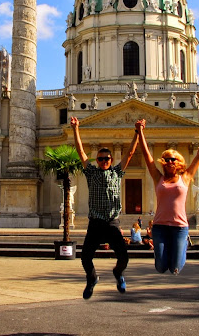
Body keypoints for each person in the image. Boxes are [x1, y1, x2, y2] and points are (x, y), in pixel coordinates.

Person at [71, 116, 140, 299]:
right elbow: (81, 152)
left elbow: (130, 153)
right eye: (101, 159)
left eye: (106, 159)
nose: (103, 161)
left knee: (123, 257)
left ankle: (118, 273)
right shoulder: (91, 173)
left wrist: (137, 133)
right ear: (97, 160)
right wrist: (76, 129)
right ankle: (92, 278)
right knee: (85, 257)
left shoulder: (117, 172)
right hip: (95, 223)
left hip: (111, 222)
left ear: (111, 159)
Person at [135, 118, 199, 275]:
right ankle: (170, 251)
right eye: (166, 159)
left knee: (175, 268)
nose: (170, 161)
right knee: (161, 267)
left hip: (179, 227)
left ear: (179, 162)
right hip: (160, 226)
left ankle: (180, 249)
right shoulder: (158, 177)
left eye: (173, 159)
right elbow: (147, 155)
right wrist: (140, 132)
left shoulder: (186, 177)